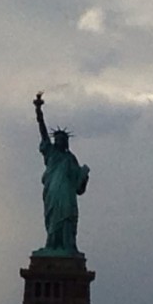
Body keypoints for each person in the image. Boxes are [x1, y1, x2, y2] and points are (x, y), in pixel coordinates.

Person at [32, 92, 89, 254]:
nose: (59, 141)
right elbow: (43, 132)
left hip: (67, 193)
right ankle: (52, 245)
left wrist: (84, 175)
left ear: (66, 142)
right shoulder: (50, 153)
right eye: (56, 139)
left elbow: (79, 187)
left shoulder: (71, 158)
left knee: (67, 217)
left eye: (62, 139)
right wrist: (38, 111)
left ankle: (68, 245)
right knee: (53, 219)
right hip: (53, 191)